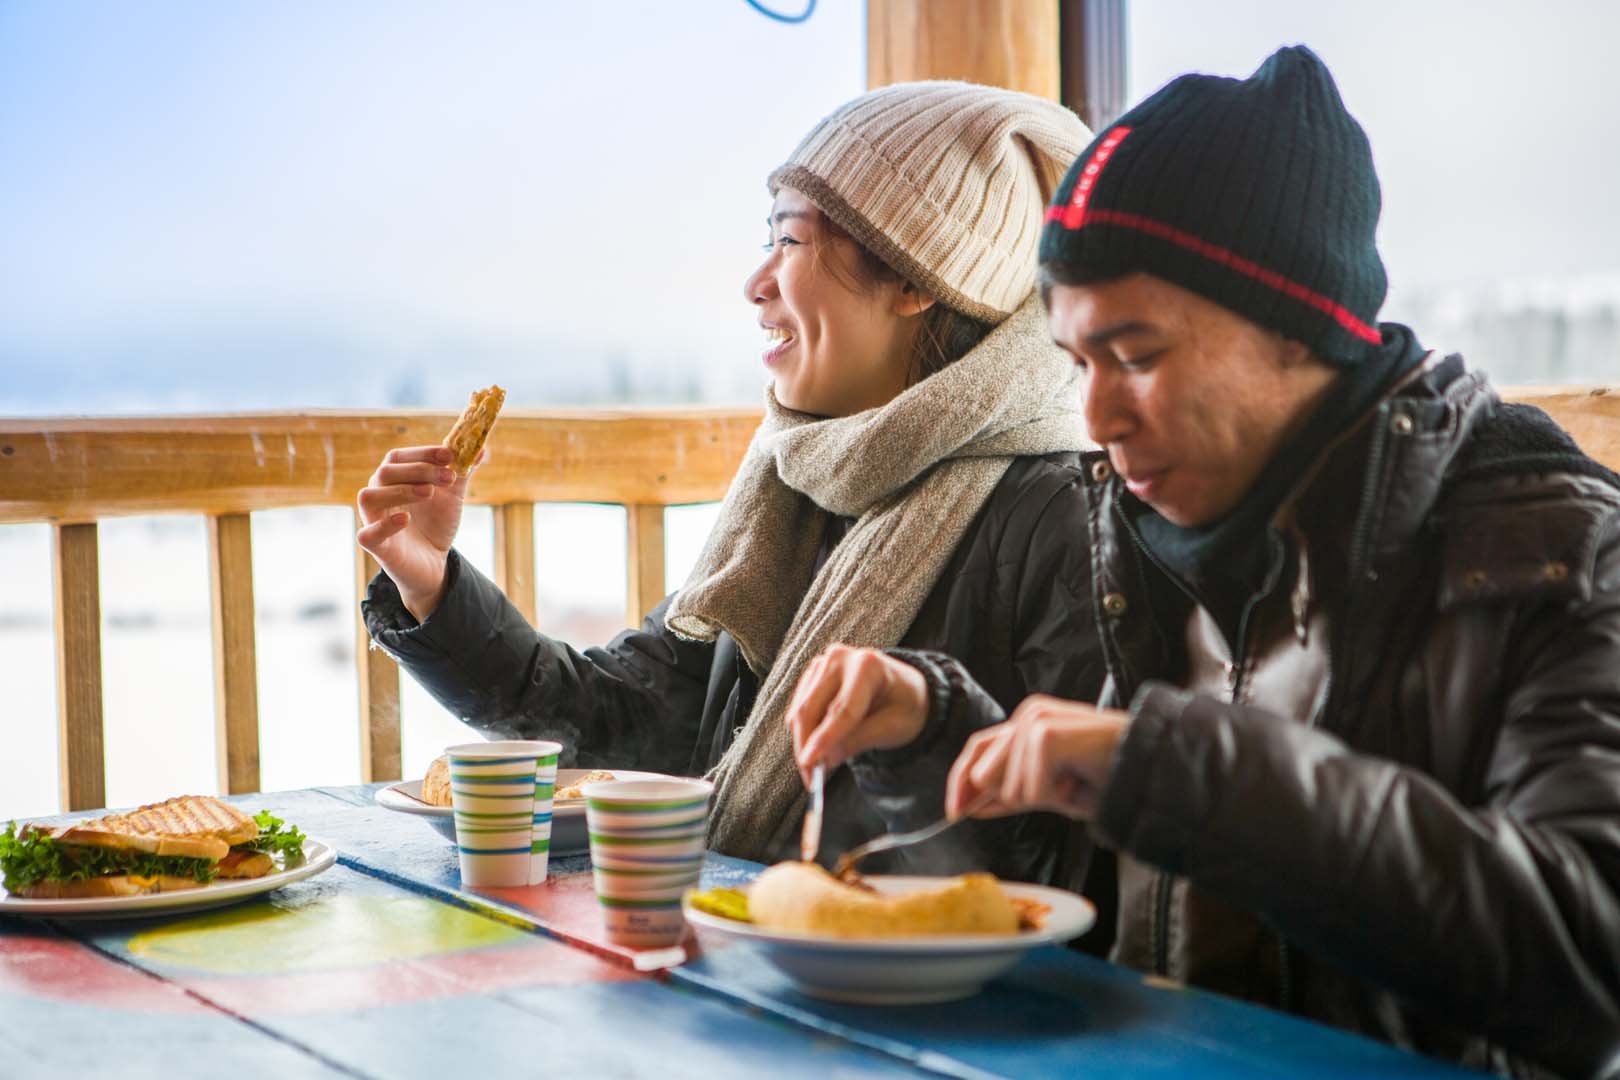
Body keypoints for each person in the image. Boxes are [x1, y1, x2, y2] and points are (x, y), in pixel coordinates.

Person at [787, 47, 1620, 1078]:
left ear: (1300, 333)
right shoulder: (1151, 538)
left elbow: (1588, 954)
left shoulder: (1557, 555)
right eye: (1078, 362)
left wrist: (1170, 769)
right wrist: (934, 732)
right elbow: (1092, 899)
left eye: (1135, 356)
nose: (1094, 417)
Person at [356, 81, 1107, 877]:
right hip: (741, 952)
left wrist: (922, 733)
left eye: (789, 241)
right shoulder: (799, 490)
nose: (756, 282)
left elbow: (1066, 859)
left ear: (920, 276)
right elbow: (622, 723)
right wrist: (431, 589)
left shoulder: (1062, 518)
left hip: (908, 985)